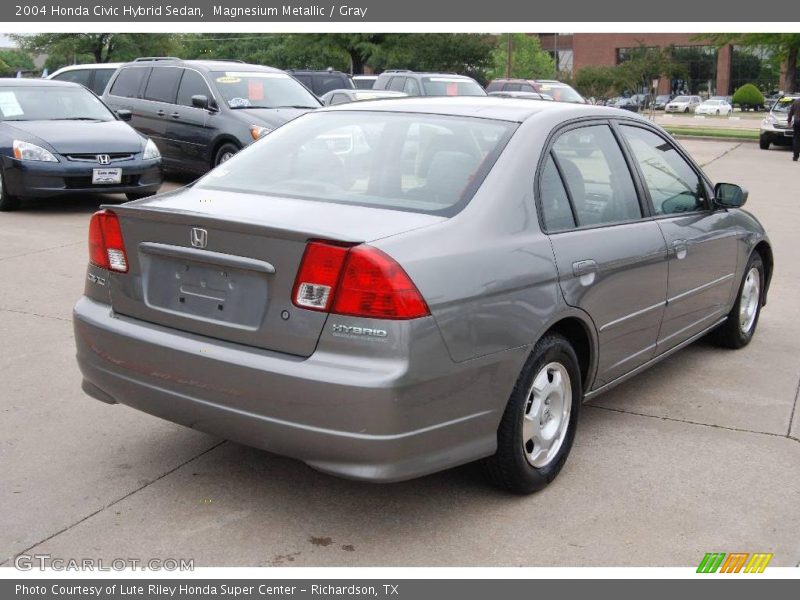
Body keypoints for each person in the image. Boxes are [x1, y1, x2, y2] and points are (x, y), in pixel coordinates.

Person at [788, 96, 800, 161]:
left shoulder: (795, 102)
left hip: (797, 122)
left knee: (796, 139)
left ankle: (795, 156)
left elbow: (790, 112)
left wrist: (789, 121)